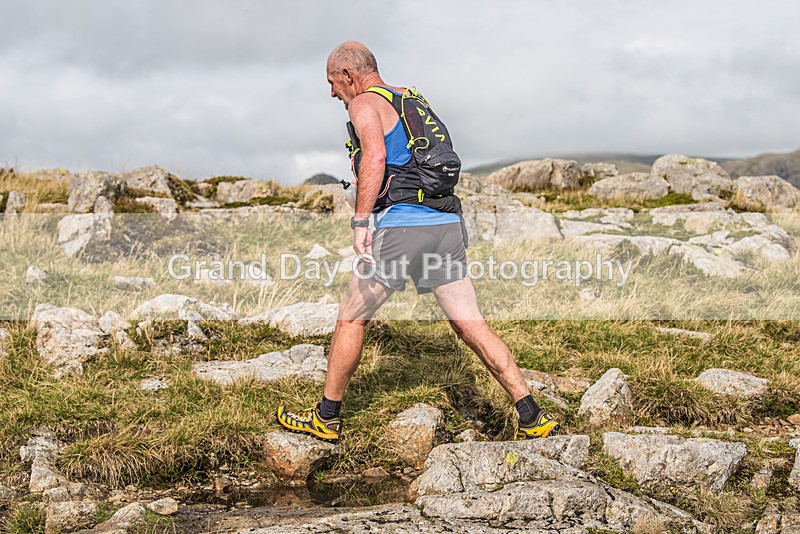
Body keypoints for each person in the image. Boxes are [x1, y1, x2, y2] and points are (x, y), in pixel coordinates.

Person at [276, 41, 559, 442]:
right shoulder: (410, 99)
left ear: (349, 75)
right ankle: (531, 415)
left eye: (333, 82)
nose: (332, 93)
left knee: (351, 317)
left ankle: (326, 417)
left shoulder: (364, 104)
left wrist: (361, 220)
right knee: (470, 324)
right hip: (445, 224)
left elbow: (374, 159)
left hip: (404, 227)